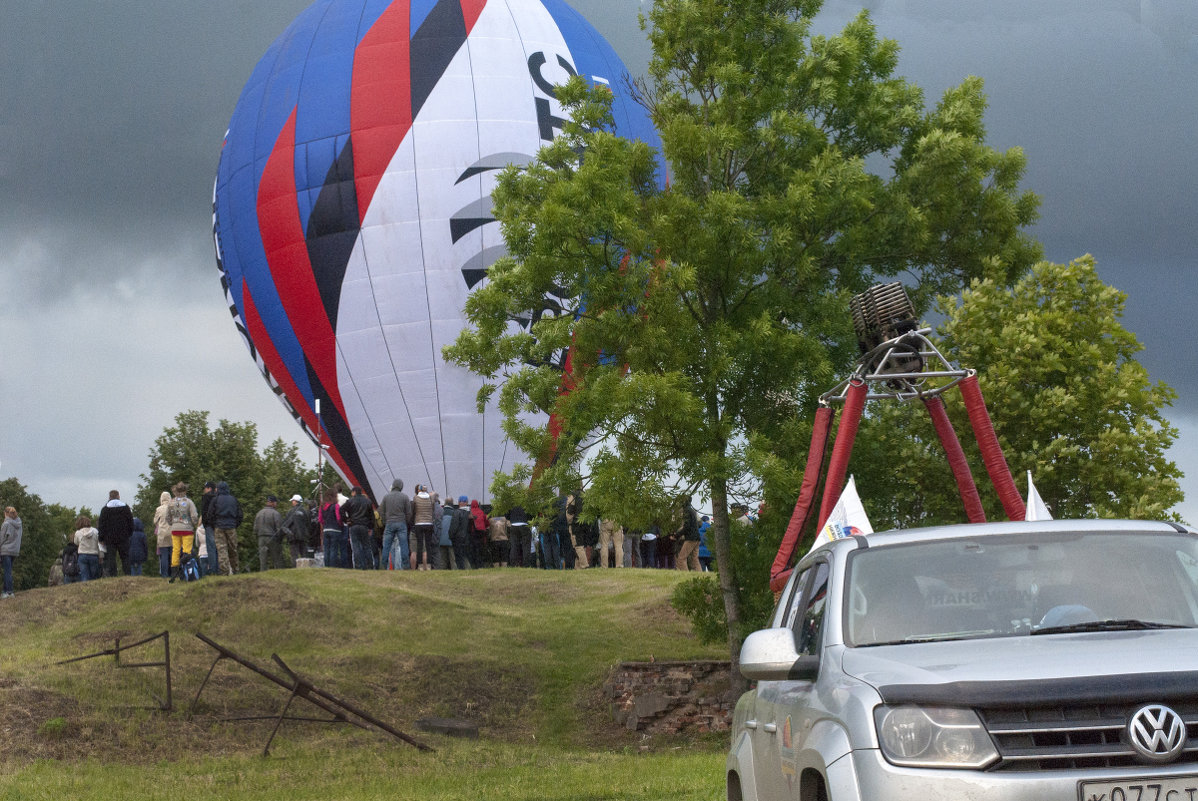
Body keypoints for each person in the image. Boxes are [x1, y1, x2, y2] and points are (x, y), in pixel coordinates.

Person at [167, 482, 201, 583]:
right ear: (185, 491)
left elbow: (167, 517)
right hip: (187, 529)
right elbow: (194, 515)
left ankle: (175, 571)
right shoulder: (189, 502)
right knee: (187, 551)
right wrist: (194, 524)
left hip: (175, 529)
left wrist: (173, 524)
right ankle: (187, 571)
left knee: (176, 550)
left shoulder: (171, 503)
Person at [209, 481, 243, 575]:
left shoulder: (215, 500)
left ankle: (224, 572)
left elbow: (210, 515)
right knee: (233, 549)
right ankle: (235, 569)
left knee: (222, 550)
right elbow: (240, 515)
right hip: (231, 527)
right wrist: (235, 524)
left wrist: (214, 525)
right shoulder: (233, 499)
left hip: (219, 527)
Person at [97, 490, 135, 577]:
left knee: (111, 558)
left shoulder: (105, 509)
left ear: (109, 497)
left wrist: (101, 538)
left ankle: (113, 575)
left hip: (109, 538)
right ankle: (127, 574)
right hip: (123, 537)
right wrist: (129, 533)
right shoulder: (125, 508)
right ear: (118, 496)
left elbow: (101, 525)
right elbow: (131, 523)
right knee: (125, 557)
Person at [378, 478, 411, 570]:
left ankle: (384, 565)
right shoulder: (405, 497)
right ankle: (406, 566)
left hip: (389, 523)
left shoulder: (386, 497)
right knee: (403, 545)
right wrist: (406, 522)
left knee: (387, 546)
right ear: (401, 486)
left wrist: (385, 521)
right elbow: (408, 513)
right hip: (401, 523)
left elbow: (381, 511)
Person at [341, 486, 375, 570]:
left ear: (354, 492)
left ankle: (358, 566)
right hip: (364, 526)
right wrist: (370, 527)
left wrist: (346, 520)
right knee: (366, 546)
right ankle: (370, 566)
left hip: (353, 525)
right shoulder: (368, 501)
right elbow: (372, 516)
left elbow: (341, 509)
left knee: (355, 547)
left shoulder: (350, 501)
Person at [254, 495, 285, 572]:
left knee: (263, 560)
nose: (276, 504)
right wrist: (280, 540)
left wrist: (257, 536)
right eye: (276, 502)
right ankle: (279, 574)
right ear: (273, 503)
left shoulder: (259, 513)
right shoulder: (275, 513)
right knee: (277, 559)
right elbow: (279, 529)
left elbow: (255, 528)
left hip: (261, 538)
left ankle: (263, 575)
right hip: (272, 538)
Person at [280, 494, 310, 567]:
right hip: (303, 537)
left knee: (294, 555)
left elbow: (285, 525)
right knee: (304, 554)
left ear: (295, 502)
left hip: (293, 536)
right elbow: (308, 524)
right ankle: (305, 569)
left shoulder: (291, 511)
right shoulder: (305, 512)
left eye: (292, 501)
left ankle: (295, 568)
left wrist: (287, 534)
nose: (292, 502)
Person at [318, 488, 344, 568]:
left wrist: (325, 525)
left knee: (327, 549)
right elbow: (338, 518)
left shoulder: (322, 506)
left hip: (326, 529)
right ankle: (333, 566)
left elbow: (320, 519)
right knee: (334, 549)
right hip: (335, 529)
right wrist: (341, 525)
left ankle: (327, 566)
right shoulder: (335, 505)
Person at [411, 484, 435, 570]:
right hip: (429, 523)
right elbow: (432, 509)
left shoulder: (416, 498)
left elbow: (414, 510)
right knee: (428, 545)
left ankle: (420, 565)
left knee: (420, 545)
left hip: (419, 523)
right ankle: (428, 565)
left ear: (419, 490)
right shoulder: (430, 498)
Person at [675, 496, 701, 571]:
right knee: (694, 559)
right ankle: (701, 576)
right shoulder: (693, 511)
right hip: (697, 537)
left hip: (690, 538)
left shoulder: (686, 511)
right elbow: (700, 524)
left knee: (681, 558)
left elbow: (687, 526)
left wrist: (677, 535)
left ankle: (685, 576)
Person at [1, 506, 23, 597]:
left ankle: (9, 592)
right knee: (9, 570)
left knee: (7, 571)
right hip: (15, 550)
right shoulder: (19, 523)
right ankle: (5, 590)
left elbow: (2, 538)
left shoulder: (6, 524)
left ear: (6, 514)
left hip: (6, 550)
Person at [151, 490, 173, 578]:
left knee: (164, 555)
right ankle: (173, 573)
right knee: (173, 554)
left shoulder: (159, 509)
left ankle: (164, 574)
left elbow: (154, 521)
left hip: (163, 534)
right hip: (173, 533)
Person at [73, 515, 102, 581]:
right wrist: (101, 556)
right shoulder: (95, 531)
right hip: (94, 555)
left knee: (84, 575)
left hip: (82, 555)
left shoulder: (78, 533)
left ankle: (85, 589)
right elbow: (99, 544)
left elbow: (76, 543)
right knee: (94, 576)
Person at [199, 481, 219, 576]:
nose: (204, 490)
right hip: (218, 525)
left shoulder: (206, 497)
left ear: (209, 488)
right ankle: (219, 568)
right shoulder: (219, 497)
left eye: (205, 488)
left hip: (209, 526)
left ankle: (213, 569)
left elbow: (204, 512)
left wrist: (205, 523)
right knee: (219, 547)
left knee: (211, 547)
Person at [450, 496, 473, 569]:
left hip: (458, 538)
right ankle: (469, 569)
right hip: (468, 539)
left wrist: (450, 535)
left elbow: (454, 526)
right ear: (467, 503)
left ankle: (461, 570)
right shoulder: (470, 514)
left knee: (459, 557)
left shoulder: (457, 512)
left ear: (459, 502)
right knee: (467, 556)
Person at [469, 499, 489, 568]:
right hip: (481, 533)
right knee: (480, 549)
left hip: (473, 533)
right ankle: (480, 564)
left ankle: (474, 564)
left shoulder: (470, 512)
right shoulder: (481, 511)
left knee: (473, 549)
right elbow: (486, 522)